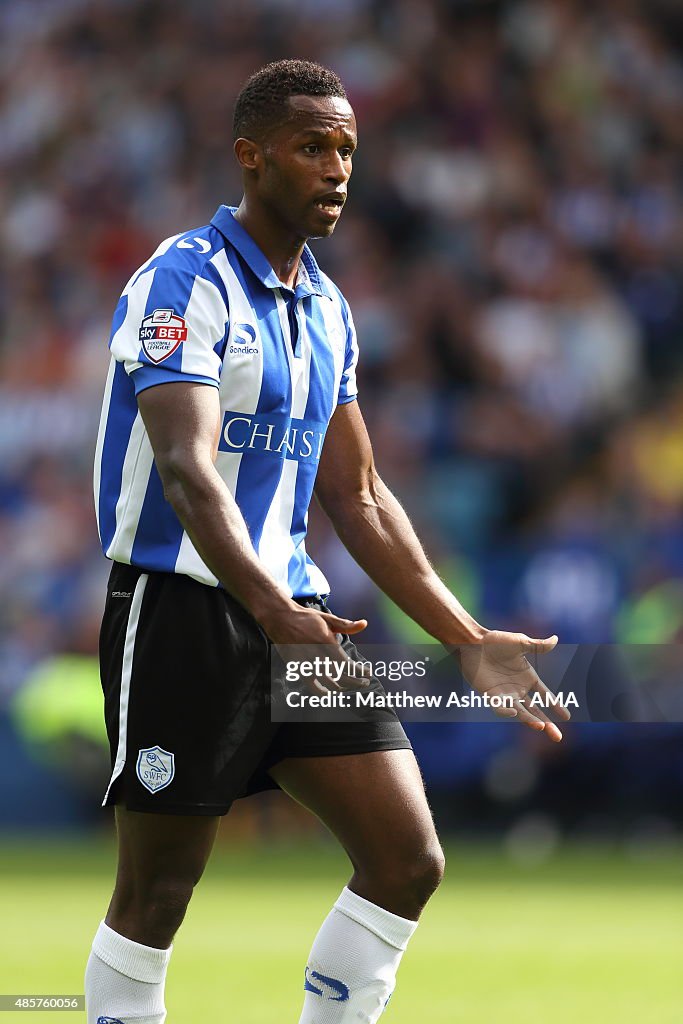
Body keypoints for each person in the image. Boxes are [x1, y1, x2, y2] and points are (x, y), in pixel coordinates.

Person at [87, 59, 569, 1024]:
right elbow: (185, 470)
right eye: (314, 148)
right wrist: (270, 608)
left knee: (406, 860)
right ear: (250, 156)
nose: (337, 169)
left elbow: (357, 494)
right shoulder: (181, 281)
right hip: (182, 613)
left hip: (296, 621)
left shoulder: (329, 311)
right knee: (155, 902)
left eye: (347, 149)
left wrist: (463, 636)